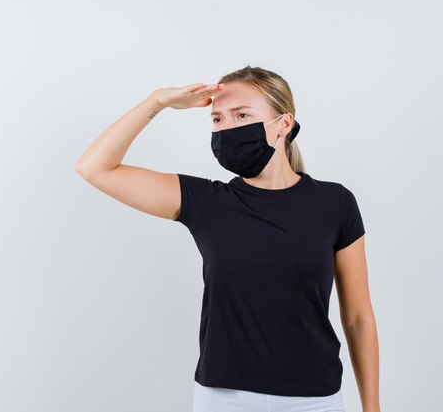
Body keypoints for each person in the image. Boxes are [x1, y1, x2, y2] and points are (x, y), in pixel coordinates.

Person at [75, 65, 381, 412]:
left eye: (241, 114)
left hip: (315, 398)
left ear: (283, 124)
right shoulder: (206, 202)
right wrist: (157, 101)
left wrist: (372, 408)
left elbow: (358, 317)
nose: (227, 127)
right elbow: (94, 168)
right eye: (218, 119)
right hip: (224, 399)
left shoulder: (335, 203)